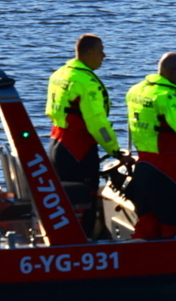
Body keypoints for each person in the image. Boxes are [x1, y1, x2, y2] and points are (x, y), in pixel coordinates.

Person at [45, 34, 131, 236]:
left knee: (64, 197)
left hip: (57, 142)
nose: (104, 56)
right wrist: (116, 152)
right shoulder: (87, 82)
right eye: (101, 52)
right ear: (90, 53)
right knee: (84, 200)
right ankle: (85, 242)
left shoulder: (60, 74)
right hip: (79, 149)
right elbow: (98, 124)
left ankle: (62, 236)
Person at [125, 52, 176, 240]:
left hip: (144, 166)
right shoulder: (168, 96)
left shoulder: (137, 90)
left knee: (147, 223)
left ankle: (140, 257)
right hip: (170, 170)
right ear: (170, 72)